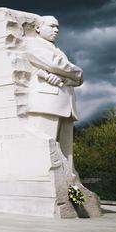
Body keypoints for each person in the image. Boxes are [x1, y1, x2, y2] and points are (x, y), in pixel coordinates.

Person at [25, 16, 83, 175]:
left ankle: (69, 186)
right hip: (46, 103)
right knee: (44, 149)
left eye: (57, 27)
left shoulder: (59, 51)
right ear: (37, 28)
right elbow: (54, 64)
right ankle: (43, 182)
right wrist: (77, 72)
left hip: (66, 105)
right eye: (51, 26)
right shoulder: (31, 43)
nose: (56, 30)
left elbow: (74, 79)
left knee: (66, 155)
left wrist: (67, 77)